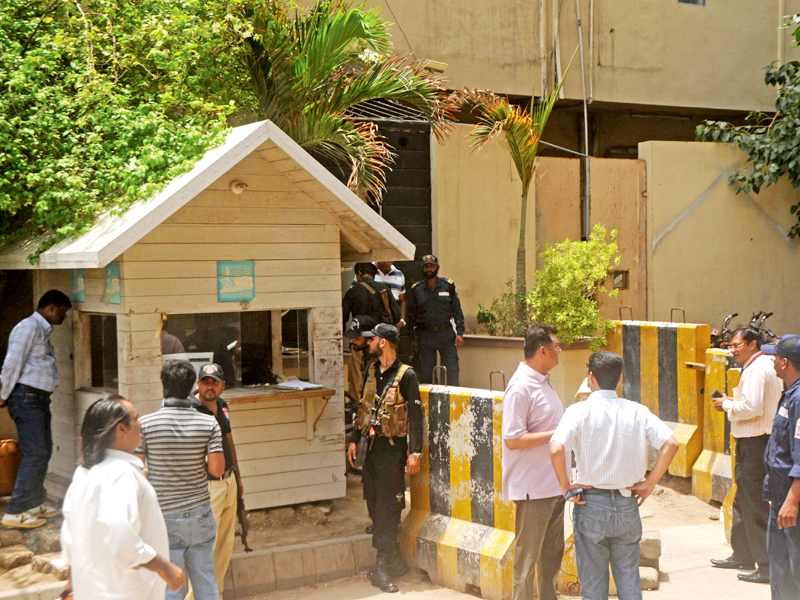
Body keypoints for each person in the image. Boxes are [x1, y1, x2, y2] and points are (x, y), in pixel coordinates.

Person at [550, 351, 679, 600]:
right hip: (627, 503)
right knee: (629, 581)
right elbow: (671, 443)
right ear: (620, 379)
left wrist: (566, 486)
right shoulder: (638, 411)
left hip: (590, 505)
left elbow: (556, 448)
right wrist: (650, 483)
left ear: (591, 378)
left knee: (594, 587)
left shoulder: (577, 411)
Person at [60, 395, 185, 600]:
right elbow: (120, 537)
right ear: (121, 429)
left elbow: (71, 534)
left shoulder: (84, 472)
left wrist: (71, 584)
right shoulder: (120, 473)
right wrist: (165, 568)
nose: (140, 424)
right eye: (135, 419)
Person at [136, 360, 225, 600]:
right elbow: (217, 469)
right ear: (190, 388)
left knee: (170, 586)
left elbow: (135, 467)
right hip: (201, 515)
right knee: (206, 580)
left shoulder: (145, 424)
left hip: (164, 517)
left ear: (164, 385)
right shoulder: (209, 423)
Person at [347, 324, 422, 593]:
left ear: (384, 343)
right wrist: (354, 439)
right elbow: (362, 407)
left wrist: (415, 452)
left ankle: (382, 566)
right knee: (373, 501)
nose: (369, 342)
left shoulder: (406, 375)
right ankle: (395, 559)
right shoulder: (371, 371)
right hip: (371, 449)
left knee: (390, 507)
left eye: (374, 338)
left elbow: (416, 417)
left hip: (392, 451)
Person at [711, 327, 781, 583]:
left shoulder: (757, 369)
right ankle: (742, 553)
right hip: (753, 442)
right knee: (743, 499)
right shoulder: (759, 367)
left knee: (754, 504)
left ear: (753, 344)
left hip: (755, 443)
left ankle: (765, 564)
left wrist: (727, 404)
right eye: (730, 346)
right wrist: (732, 402)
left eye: (737, 345)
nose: (733, 350)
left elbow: (751, 408)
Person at [501, 323, 566, 600]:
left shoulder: (542, 379)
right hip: (533, 490)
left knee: (551, 559)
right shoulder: (520, 387)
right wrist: (558, 434)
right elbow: (512, 439)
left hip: (553, 485)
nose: (560, 350)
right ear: (543, 351)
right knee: (526, 563)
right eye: (556, 346)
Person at [0, 290, 71, 529]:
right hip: (26, 397)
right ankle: (16, 510)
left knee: (43, 452)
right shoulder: (29, 327)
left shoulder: (40, 329)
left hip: (36, 398)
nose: (64, 317)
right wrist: (2, 394)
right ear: (51, 308)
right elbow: (12, 362)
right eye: (62, 311)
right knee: (35, 453)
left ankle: (34, 503)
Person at [185, 364, 242, 600]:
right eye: (205, 381)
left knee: (224, 546)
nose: (210, 386)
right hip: (206, 486)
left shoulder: (222, 407)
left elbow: (229, 441)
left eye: (214, 382)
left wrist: (238, 478)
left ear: (222, 385)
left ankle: (214, 595)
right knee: (202, 548)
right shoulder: (190, 409)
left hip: (228, 482)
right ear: (197, 384)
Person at [761, 334, 800, 600]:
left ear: (784, 362)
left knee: (794, 565)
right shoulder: (790, 393)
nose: (772, 361)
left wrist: (793, 500)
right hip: (779, 493)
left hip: (791, 498)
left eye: (775, 357)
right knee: (780, 562)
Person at [406, 255, 465, 386]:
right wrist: (413, 338)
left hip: (446, 334)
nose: (429, 269)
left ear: (437, 268)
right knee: (427, 374)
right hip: (426, 335)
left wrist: (460, 332)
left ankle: (452, 402)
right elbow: (411, 316)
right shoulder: (416, 289)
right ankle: (431, 403)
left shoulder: (447, 286)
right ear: (422, 268)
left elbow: (457, 310)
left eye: (432, 266)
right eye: (426, 266)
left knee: (452, 371)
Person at [342, 263, 402, 329]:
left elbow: (343, 317)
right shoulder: (384, 289)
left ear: (359, 274)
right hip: (379, 333)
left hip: (360, 332)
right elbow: (397, 316)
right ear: (373, 276)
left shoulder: (352, 292)